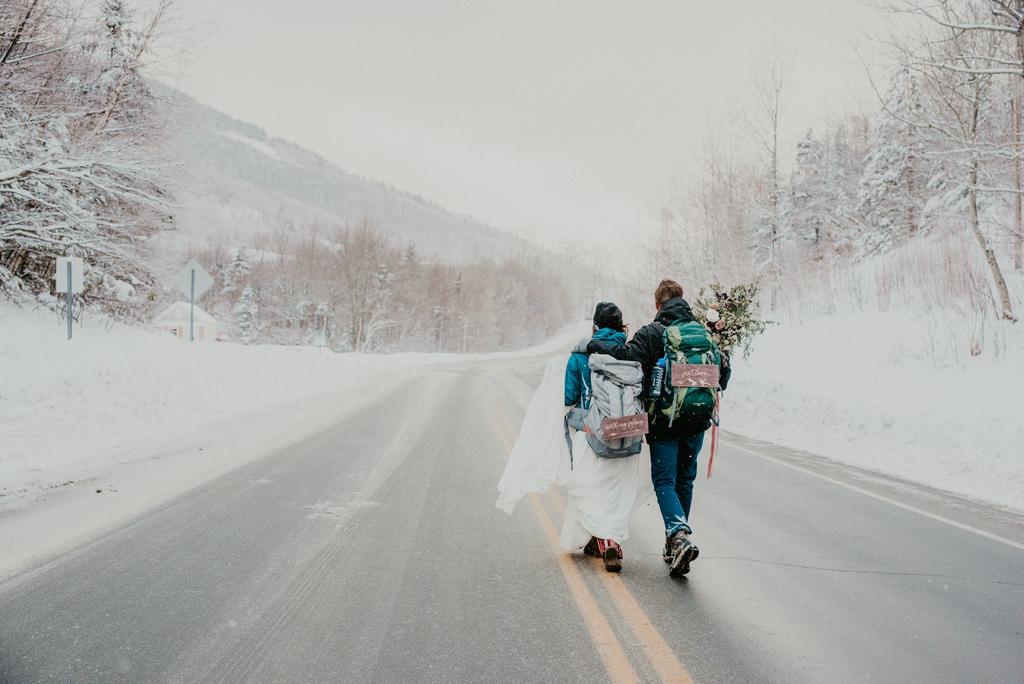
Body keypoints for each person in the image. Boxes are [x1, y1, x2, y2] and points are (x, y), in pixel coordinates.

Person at [587, 279, 730, 577]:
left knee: (665, 481)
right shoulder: (703, 332)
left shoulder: (653, 333)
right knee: (685, 479)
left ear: (657, 305)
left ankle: (678, 534)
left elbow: (624, 359)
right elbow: (723, 375)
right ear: (683, 299)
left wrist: (596, 342)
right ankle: (675, 542)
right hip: (698, 420)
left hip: (664, 422)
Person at [496, 301, 650, 574]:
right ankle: (606, 539)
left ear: (595, 326)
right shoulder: (631, 353)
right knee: (616, 494)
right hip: (628, 433)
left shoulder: (580, 355)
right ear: (621, 326)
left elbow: (568, 397)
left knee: (587, 490)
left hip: (592, 434)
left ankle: (606, 540)